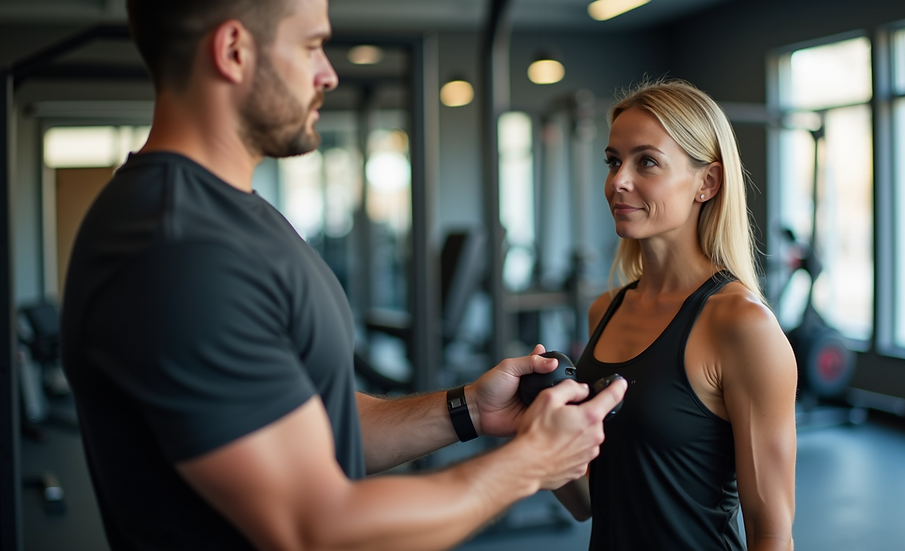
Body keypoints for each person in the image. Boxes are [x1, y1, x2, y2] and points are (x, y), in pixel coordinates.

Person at [59, 1, 627, 550]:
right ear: (233, 51)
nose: (328, 74)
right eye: (311, 46)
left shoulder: (237, 215)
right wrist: (529, 464)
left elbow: (313, 419)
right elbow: (313, 528)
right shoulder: (178, 247)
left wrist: (472, 409)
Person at [553, 79, 797, 550]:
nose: (618, 180)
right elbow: (586, 501)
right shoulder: (605, 310)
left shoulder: (742, 326)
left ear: (706, 183)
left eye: (646, 161)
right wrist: (537, 425)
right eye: (613, 161)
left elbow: (772, 534)